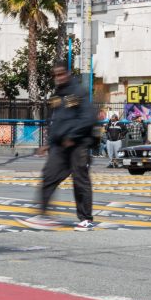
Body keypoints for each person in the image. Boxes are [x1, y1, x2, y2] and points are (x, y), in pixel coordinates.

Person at [17, 61, 97, 231]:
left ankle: (86, 219)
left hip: (77, 145)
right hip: (60, 147)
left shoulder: (77, 93)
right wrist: (48, 143)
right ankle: (43, 215)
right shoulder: (57, 96)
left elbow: (88, 118)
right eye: (55, 75)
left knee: (80, 181)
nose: (58, 78)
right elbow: (56, 121)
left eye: (60, 74)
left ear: (68, 74)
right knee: (48, 176)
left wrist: (72, 136)